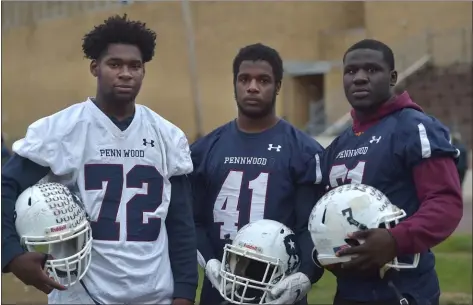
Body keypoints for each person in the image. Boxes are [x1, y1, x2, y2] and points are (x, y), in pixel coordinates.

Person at [1, 14, 198, 305]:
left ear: (144, 71)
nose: (126, 73)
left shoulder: (167, 136)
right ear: (95, 68)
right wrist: (11, 254)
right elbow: (6, 186)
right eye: (115, 64)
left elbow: (181, 223)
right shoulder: (61, 130)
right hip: (82, 296)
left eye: (135, 66)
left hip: (155, 295)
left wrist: (184, 292)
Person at [319, 39, 463, 305]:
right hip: (350, 288)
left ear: (393, 77)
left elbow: (445, 203)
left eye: (372, 70)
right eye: (351, 71)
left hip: (402, 288)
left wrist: (395, 240)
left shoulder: (414, 127)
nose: (360, 78)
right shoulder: (340, 143)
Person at [190, 43, 325, 305]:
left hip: (280, 290)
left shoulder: (303, 150)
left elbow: (310, 228)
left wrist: (306, 275)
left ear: (277, 86)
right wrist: (211, 263)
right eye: (244, 79)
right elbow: (194, 222)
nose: (252, 87)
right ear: (234, 84)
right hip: (221, 289)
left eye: (263, 80)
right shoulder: (205, 150)